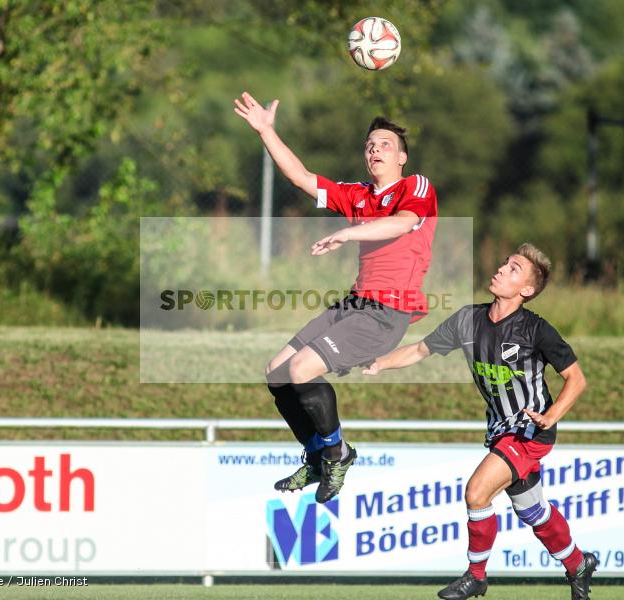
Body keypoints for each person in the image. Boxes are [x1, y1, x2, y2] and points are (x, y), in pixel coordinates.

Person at [234, 91, 438, 503]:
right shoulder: (360, 195)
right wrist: (266, 132)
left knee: (303, 369)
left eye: (385, 145)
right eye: (370, 145)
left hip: (388, 311)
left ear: (401, 158)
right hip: (355, 303)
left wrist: (348, 232)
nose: (375, 149)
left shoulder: (415, 187)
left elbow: (401, 224)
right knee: (277, 371)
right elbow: (302, 177)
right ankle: (316, 456)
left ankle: (338, 452)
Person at [364, 243, 598, 600]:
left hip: (529, 432)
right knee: (532, 511)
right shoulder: (467, 320)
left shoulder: (536, 330)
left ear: (527, 291)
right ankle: (578, 563)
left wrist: (550, 417)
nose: (502, 269)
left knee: (476, 493)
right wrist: (378, 363)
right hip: (500, 430)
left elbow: (577, 379)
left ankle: (476, 576)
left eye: (514, 269)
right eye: (505, 262)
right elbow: (418, 350)